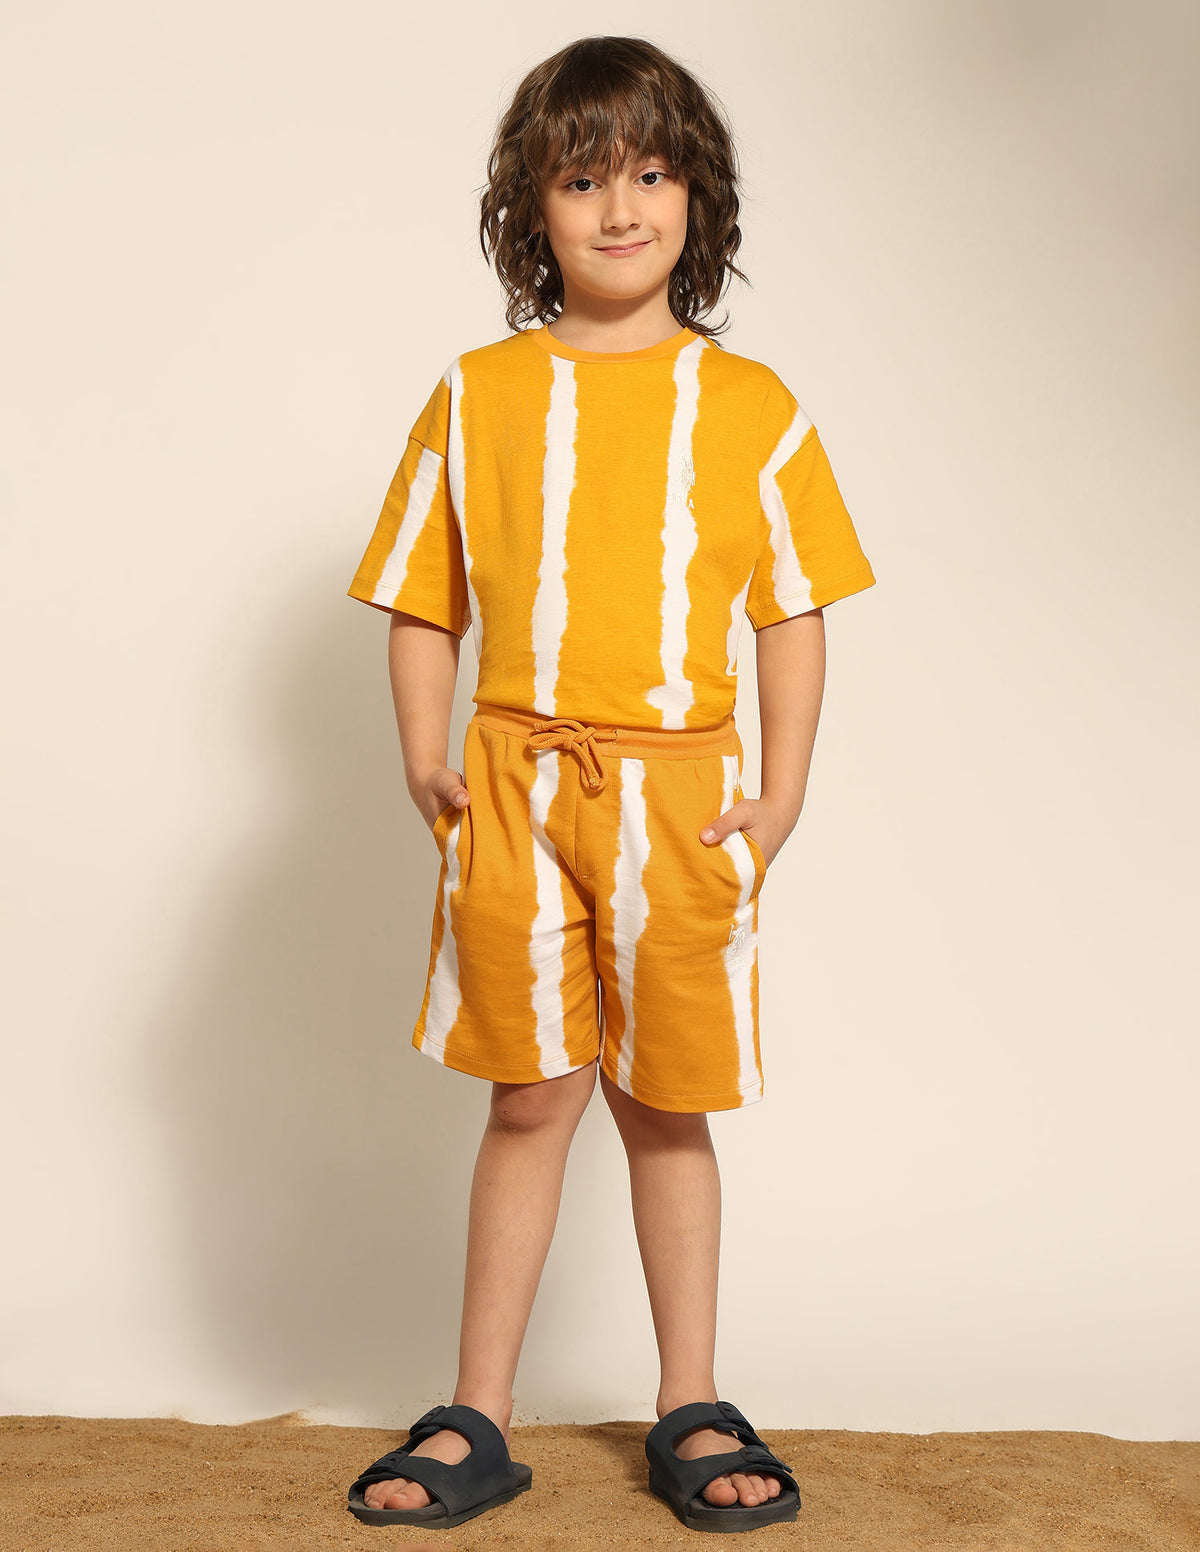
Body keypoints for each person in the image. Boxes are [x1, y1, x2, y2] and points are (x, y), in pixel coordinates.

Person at [342, 33, 876, 1536]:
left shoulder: (752, 405)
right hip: (515, 789)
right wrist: (425, 755)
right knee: (529, 1099)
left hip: (680, 802)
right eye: (583, 180)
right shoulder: (476, 394)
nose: (621, 207)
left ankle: (689, 1401)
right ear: (533, 205)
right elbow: (425, 597)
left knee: (665, 1107)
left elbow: (793, 609)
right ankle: (478, 1412)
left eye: (650, 173)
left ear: (698, 196)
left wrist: (781, 793)